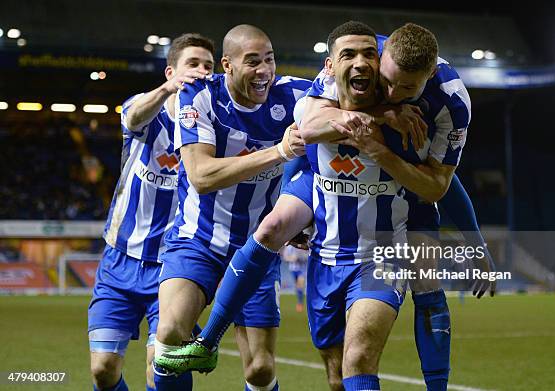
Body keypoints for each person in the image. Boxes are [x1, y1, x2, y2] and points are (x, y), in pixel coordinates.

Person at [161, 21, 491, 391]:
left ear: (428, 75)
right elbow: (306, 131)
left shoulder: (448, 103)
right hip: (324, 194)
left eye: (407, 89)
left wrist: (474, 243)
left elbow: (442, 182)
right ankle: (207, 341)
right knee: (273, 231)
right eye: (389, 82)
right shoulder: (356, 60)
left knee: (420, 288)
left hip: (395, 213)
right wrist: (379, 117)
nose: (394, 93)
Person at [152, 24, 311, 391]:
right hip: (198, 240)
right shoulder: (199, 97)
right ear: (227, 65)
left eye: (269, 60)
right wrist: (278, 152)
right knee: (170, 335)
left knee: (259, 369)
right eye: (252, 61)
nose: (264, 70)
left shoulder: (295, 96)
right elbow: (201, 176)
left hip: (256, 248)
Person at [87, 33, 215, 391]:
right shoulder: (147, 114)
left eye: (208, 65)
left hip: (173, 267)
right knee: (103, 369)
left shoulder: (211, 129)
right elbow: (132, 115)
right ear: (171, 70)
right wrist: (167, 90)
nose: (201, 71)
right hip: (120, 260)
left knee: (162, 365)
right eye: (193, 63)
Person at [280, 245, 308, 312]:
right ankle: (300, 300)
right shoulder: (289, 247)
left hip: (302, 269)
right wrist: (292, 259)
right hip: (293, 269)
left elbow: (308, 255)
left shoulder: (303, 245)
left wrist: (301, 257)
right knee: (297, 287)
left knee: (300, 286)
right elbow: (285, 257)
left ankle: (300, 304)